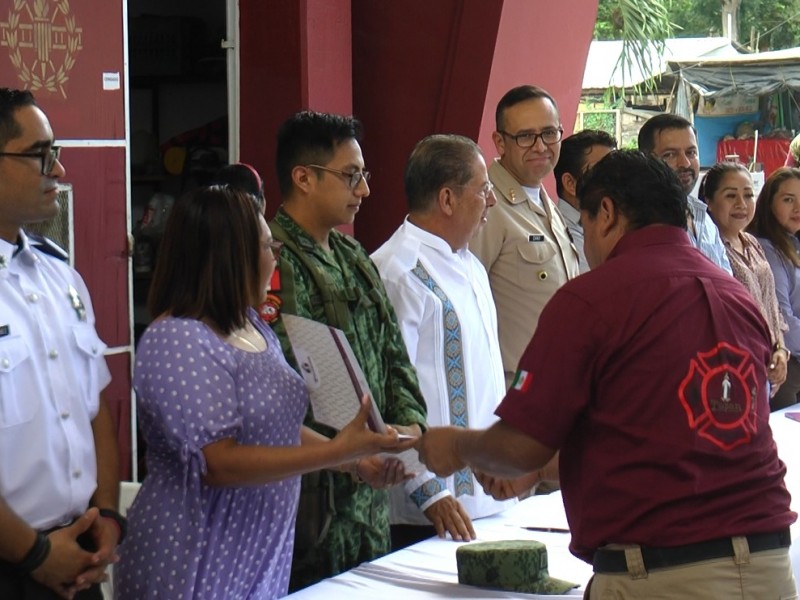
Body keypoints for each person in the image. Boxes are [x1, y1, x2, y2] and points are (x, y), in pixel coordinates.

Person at [418, 150, 797, 599]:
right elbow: (666, 437)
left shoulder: (591, 299)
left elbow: (519, 446)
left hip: (664, 572)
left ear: (607, 213)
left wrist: (456, 445)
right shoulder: (734, 295)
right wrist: (541, 468)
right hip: (767, 566)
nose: (585, 246)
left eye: (584, 228)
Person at [115, 185, 410, 599]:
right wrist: (338, 451)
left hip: (258, 551)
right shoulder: (177, 339)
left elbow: (276, 427)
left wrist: (357, 462)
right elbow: (217, 461)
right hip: (196, 555)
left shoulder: (253, 326)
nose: (276, 257)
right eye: (268, 245)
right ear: (229, 257)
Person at [267, 111, 474, 591]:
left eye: (363, 176)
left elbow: (394, 355)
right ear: (303, 177)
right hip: (311, 497)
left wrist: (409, 426)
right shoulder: (272, 259)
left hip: (370, 498)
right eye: (351, 176)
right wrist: (353, 449)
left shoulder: (353, 257)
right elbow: (279, 380)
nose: (364, 191)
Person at [0, 88, 122, 600]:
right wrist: (34, 553)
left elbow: (93, 412)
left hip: (78, 555)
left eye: (58, 153)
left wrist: (108, 519)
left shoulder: (61, 276)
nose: (59, 171)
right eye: (40, 154)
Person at [371, 134, 513, 550]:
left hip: (490, 498)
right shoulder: (398, 271)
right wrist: (429, 490)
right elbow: (387, 396)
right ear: (447, 199)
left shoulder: (470, 264)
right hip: (433, 510)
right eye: (484, 189)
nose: (491, 201)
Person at [469, 85, 580, 387]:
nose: (541, 146)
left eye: (549, 133)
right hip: (513, 389)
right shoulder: (487, 206)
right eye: (525, 136)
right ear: (500, 142)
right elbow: (468, 304)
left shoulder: (546, 203)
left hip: (559, 383)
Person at [699, 162, 796, 410]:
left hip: (769, 365)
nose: (742, 204)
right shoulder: (709, 250)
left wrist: (780, 350)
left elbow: (770, 305)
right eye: (731, 195)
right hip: (735, 368)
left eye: (748, 194)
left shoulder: (752, 243)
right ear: (708, 201)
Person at [638, 113, 733, 275]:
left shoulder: (702, 217)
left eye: (691, 153)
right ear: (646, 160)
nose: (685, 163)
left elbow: (727, 280)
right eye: (670, 155)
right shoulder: (638, 222)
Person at [748, 167, 800, 411]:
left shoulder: (793, 242)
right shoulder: (768, 249)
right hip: (787, 369)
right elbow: (783, 320)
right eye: (788, 199)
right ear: (768, 204)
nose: (798, 207)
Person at [554, 129, 617, 273]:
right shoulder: (559, 232)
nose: (616, 179)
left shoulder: (613, 222)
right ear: (570, 183)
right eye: (602, 172)